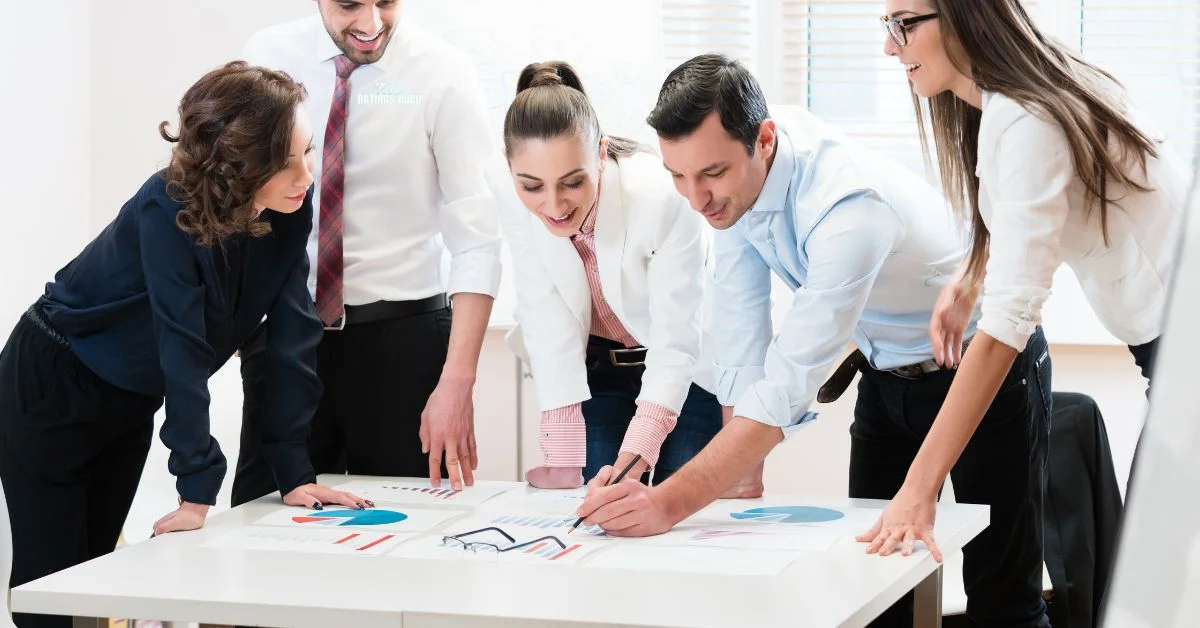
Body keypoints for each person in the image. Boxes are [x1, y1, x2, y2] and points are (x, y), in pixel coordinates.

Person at [577, 54, 1054, 628]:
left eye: (711, 175)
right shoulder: (736, 176)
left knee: (1003, 603)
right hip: (883, 375)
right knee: (875, 594)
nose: (696, 198)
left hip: (982, 369)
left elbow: (787, 383)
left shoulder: (847, 209)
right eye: (679, 176)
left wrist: (667, 503)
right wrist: (734, 470)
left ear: (764, 141)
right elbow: (741, 334)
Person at [0, 62, 365, 628]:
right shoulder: (166, 206)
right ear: (241, 163)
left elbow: (293, 337)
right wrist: (198, 489)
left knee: (95, 578)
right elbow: (181, 346)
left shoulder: (289, 207)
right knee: (50, 589)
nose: (305, 173)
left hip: (127, 398)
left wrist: (295, 473)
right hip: (51, 383)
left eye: (309, 150)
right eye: (286, 159)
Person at [231, 0, 503, 506]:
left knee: (414, 527)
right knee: (262, 524)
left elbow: (477, 237)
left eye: (386, 2)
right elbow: (235, 201)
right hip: (287, 337)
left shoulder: (443, 73)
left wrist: (457, 382)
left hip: (403, 344)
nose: (371, 23)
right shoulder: (267, 58)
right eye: (350, 4)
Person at [494, 61, 722, 489]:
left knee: (676, 507)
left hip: (688, 369)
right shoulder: (506, 186)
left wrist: (639, 453)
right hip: (600, 367)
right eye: (533, 187)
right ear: (509, 167)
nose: (555, 205)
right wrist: (563, 461)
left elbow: (675, 343)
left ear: (600, 154)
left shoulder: (661, 196)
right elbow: (545, 311)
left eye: (572, 183)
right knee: (596, 507)